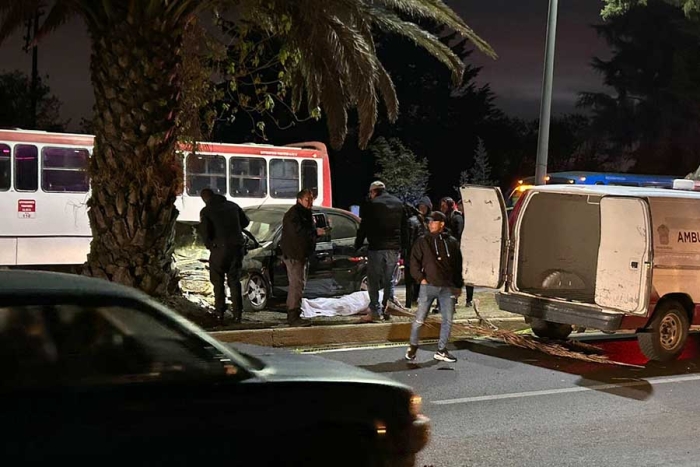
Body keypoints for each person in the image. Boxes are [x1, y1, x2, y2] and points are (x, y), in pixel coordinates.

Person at [405, 211, 463, 363]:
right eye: (429, 222)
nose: (430, 224)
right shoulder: (422, 241)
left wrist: (458, 285)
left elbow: (458, 265)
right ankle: (413, 346)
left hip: (447, 287)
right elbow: (414, 261)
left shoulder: (451, 241)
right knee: (419, 319)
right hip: (428, 285)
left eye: (433, 222)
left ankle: (442, 350)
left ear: (441, 224)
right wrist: (420, 279)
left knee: (448, 320)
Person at [354, 181, 405, 322]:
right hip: (393, 248)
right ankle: (387, 308)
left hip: (376, 247)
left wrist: (357, 245)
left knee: (374, 280)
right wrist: (403, 246)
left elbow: (363, 227)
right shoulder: (398, 203)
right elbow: (404, 226)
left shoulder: (372, 205)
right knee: (389, 280)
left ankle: (375, 311)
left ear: (374, 191)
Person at [199, 188, 250, 323]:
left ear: (204, 199)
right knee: (234, 280)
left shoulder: (206, 211)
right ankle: (237, 314)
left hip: (219, 250)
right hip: (237, 248)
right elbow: (245, 222)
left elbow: (205, 233)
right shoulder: (233, 206)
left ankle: (219, 313)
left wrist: (211, 246)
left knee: (218, 282)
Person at [280, 189, 327, 327]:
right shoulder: (294, 214)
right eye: (307, 199)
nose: (310, 202)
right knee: (297, 285)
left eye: (312, 199)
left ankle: (294, 313)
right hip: (295, 254)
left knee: (299, 284)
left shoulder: (304, 213)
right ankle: (293, 315)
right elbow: (297, 233)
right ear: (300, 199)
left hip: (301, 254)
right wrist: (315, 232)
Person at [440, 196, 473, 307]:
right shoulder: (445, 217)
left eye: (444, 206)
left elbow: (459, 234)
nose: (442, 208)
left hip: (459, 250)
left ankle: (469, 299)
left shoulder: (456, 217)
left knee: (465, 275)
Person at [402, 202, 426, 308]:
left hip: (412, 254)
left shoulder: (410, 222)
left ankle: (408, 303)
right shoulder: (420, 220)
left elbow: (408, 241)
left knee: (409, 281)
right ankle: (417, 300)